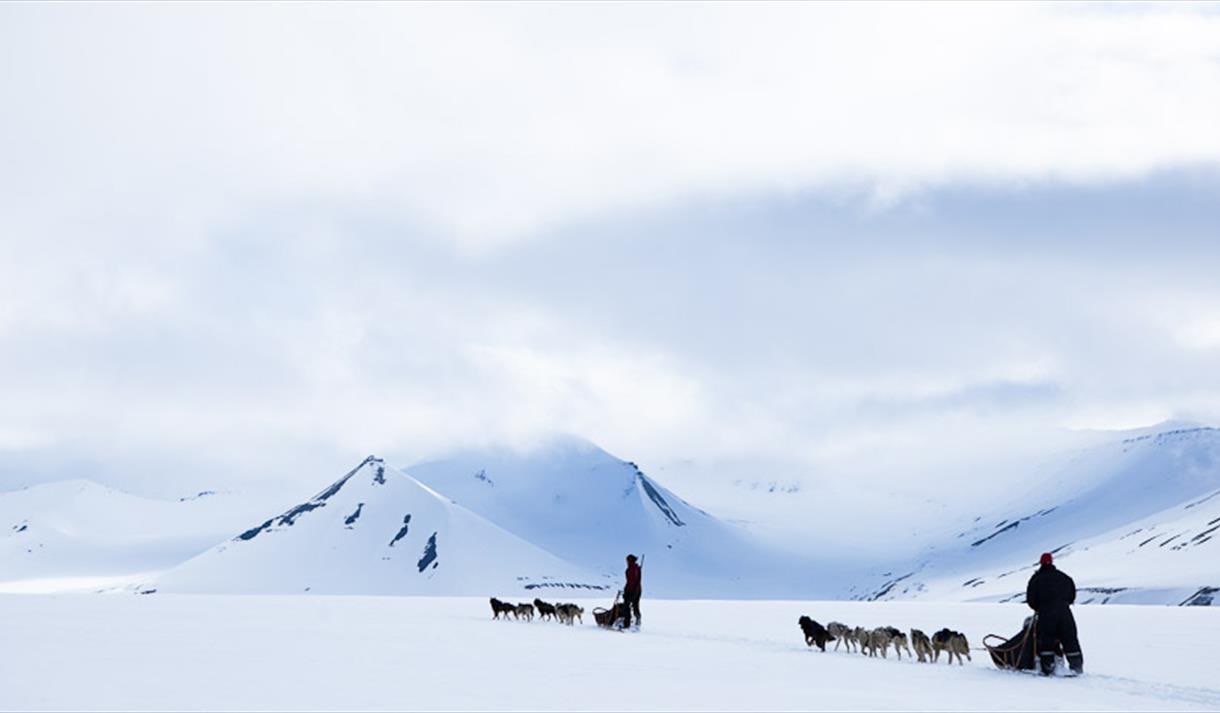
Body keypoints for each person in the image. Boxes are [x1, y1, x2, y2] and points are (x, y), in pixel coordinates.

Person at [1025, 552, 1083, 676]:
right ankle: (1077, 666)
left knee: (1046, 640)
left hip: (1046, 613)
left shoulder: (1036, 579)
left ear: (1040, 563)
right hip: (1065, 612)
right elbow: (1071, 595)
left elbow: (1031, 600)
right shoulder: (1064, 577)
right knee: (1070, 638)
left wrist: (1040, 608)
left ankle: (1049, 667)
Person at [622, 554, 642, 630]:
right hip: (638, 590)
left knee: (626, 606)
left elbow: (631, 582)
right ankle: (637, 620)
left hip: (632, 591)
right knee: (635, 605)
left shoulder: (631, 569)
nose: (626, 562)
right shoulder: (637, 568)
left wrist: (626, 592)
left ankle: (626, 625)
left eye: (627, 560)